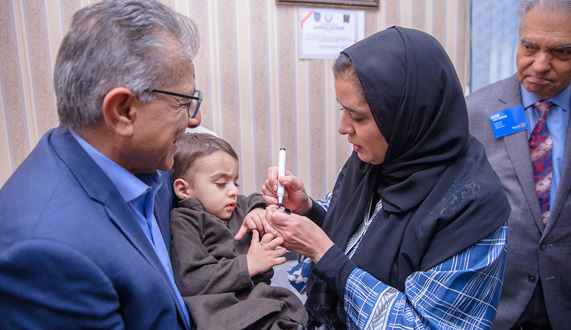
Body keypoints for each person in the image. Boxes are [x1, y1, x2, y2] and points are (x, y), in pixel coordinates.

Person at [236, 26, 511, 329]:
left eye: (357, 117)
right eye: (343, 110)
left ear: (407, 116)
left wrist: (324, 254)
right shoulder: (378, 158)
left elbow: (423, 324)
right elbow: (357, 236)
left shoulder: (473, 204)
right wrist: (308, 210)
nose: (343, 127)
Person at [0, 1, 202, 328]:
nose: (196, 120)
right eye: (184, 102)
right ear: (122, 111)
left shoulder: (142, 160)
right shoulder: (44, 252)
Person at [466, 1, 571, 329]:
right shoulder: (473, 112)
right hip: (495, 301)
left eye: (561, 52)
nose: (540, 64)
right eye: (529, 47)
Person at [169, 132, 308, 330]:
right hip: (219, 308)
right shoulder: (185, 221)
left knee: (283, 307)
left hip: (255, 295)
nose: (233, 190)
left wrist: (258, 210)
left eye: (235, 182)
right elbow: (190, 281)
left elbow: (252, 198)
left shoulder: (236, 207)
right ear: (184, 190)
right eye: (221, 183)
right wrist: (249, 264)